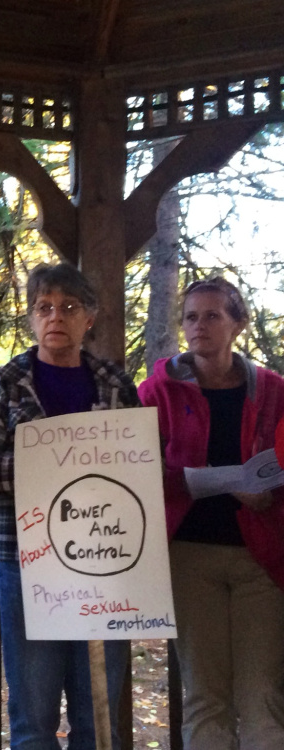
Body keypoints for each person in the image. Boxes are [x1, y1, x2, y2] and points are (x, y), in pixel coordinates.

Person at [0, 262, 134, 750]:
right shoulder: (3, 383)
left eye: (68, 307)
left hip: (107, 564)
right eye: (44, 307)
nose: (55, 316)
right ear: (32, 318)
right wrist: (51, 465)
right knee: (34, 719)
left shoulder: (117, 385)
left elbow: (145, 465)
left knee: (99, 717)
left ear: (90, 318)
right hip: (25, 562)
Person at [138, 276, 284, 749]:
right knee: (205, 698)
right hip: (187, 557)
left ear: (238, 323)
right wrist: (211, 480)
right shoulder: (155, 393)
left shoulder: (274, 392)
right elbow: (138, 470)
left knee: (262, 695)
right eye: (191, 317)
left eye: (213, 315)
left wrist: (267, 492)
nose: (199, 326)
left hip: (259, 557)